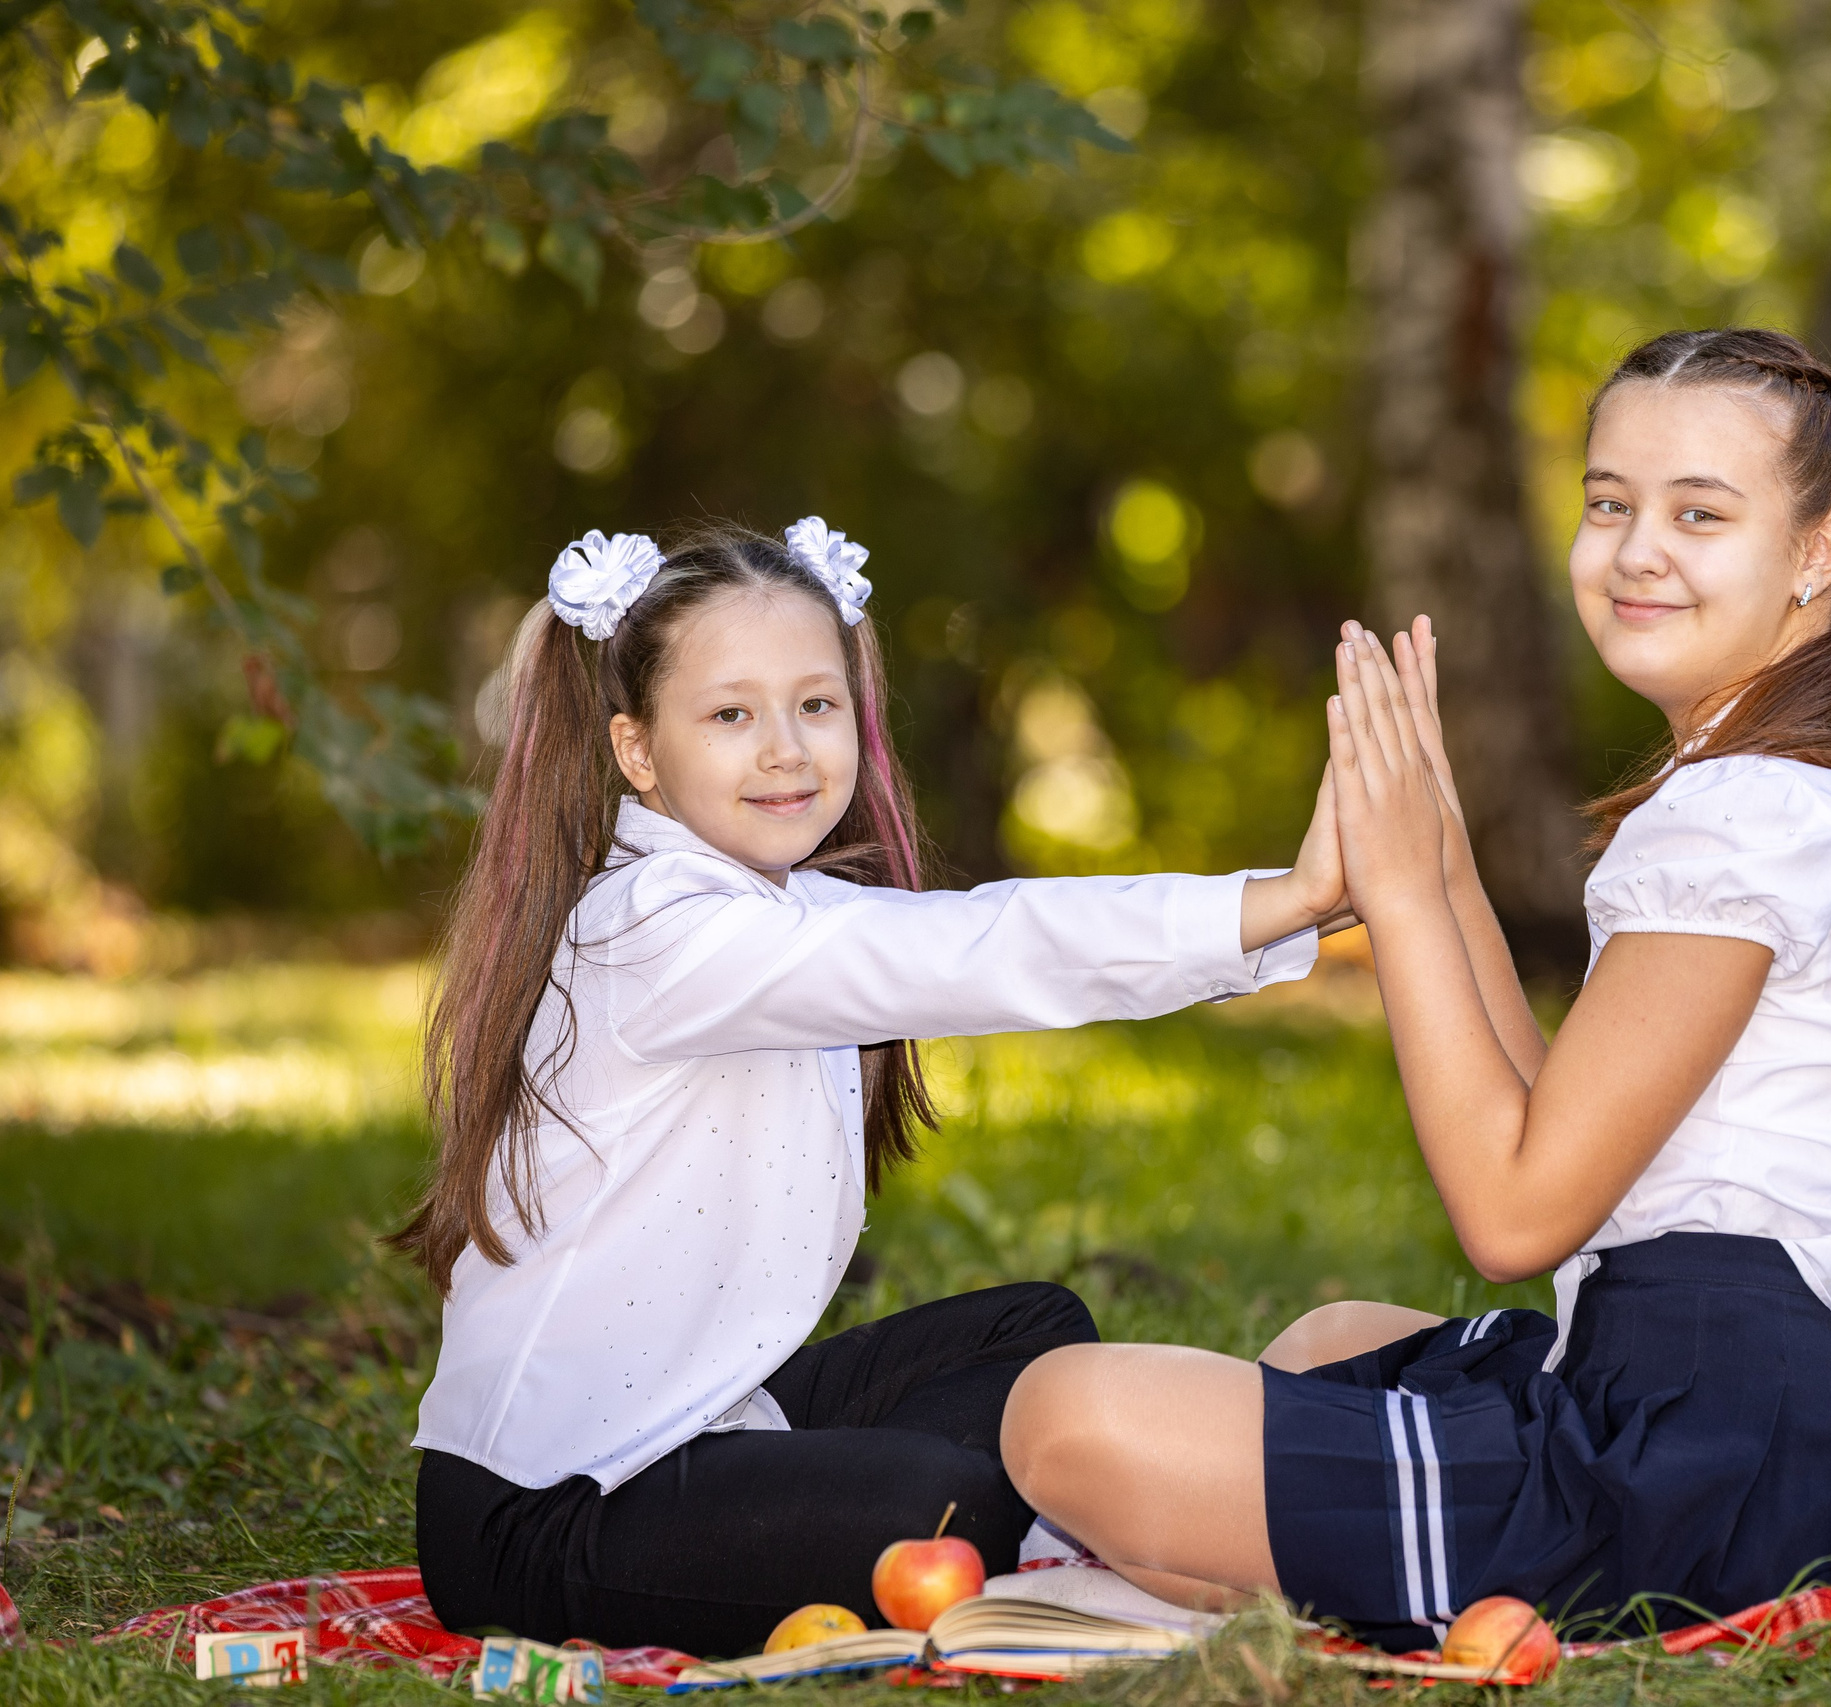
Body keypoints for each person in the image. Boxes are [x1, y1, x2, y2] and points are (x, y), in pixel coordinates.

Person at [1001, 329, 1831, 1647]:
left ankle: (1259, 1569)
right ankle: (1266, 1559)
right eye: (1609, 502)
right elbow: (1569, 1128)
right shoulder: (1828, 782)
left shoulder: (1748, 814)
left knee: (1064, 1414)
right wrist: (1447, 856)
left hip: (1727, 1468)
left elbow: (1517, 1213)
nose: (1637, 548)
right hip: (1813, 1429)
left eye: (1700, 512)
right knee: (1330, 1338)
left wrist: (1400, 900)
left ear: (1819, 550)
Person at [394, 518, 1344, 1656]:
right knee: (943, 1512)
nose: (787, 750)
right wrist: (1285, 900)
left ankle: (1067, 1513)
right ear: (637, 752)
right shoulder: (656, 932)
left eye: (816, 704)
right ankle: (1087, 1532)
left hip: (704, 1422)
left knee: (1040, 1339)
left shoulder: (774, 906)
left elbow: (967, 935)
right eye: (731, 714)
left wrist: (1303, 909)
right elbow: (983, 948)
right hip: (543, 1516)